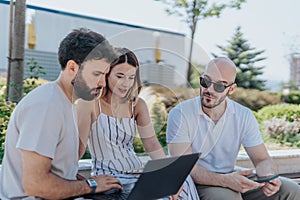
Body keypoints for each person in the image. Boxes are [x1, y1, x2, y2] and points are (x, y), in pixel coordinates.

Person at [0, 28, 123, 199]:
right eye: (97, 74)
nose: (103, 82)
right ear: (72, 67)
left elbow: (61, 173)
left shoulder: (65, 103)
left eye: (105, 74)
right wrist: (90, 185)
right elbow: (36, 185)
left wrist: (96, 183)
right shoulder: (46, 105)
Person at [166, 57, 300, 199]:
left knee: (292, 190)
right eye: (205, 82)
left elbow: (261, 159)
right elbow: (185, 168)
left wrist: (269, 177)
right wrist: (227, 181)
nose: (209, 89)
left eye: (219, 86)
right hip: (196, 181)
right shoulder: (180, 114)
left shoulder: (244, 115)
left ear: (231, 89)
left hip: (231, 176)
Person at [77, 48, 199, 199]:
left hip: (135, 172)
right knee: (159, 196)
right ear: (106, 74)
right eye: (120, 76)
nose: (125, 84)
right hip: (111, 178)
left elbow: (152, 144)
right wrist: (74, 178)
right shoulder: (89, 104)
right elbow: (78, 149)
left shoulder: (137, 105)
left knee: (184, 182)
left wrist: (170, 175)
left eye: (130, 77)